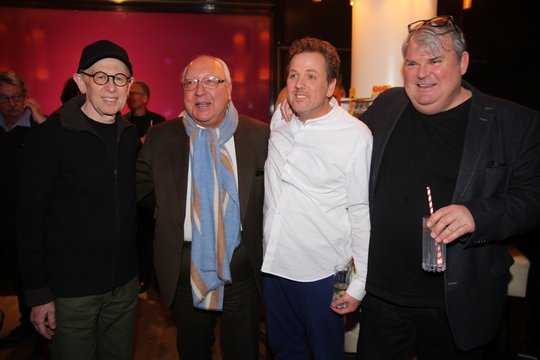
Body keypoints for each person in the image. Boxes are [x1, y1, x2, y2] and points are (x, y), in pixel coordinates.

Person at [355, 15, 540, 359]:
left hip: (458, 302)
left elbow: (532, 197)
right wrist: (306, 114)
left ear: (463, 62)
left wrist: (477, 215)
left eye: (435, 61)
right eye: (412, 63)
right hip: (382, 295)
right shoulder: (387, 105)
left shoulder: (513, 122)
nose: (422, 73)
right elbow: (344, 150)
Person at [136, 55, 269, 360]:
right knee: (192, 351)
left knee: (243, 352)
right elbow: (140, 190)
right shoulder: (161, 137)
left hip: (241, 269)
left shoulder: (260, 136)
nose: (199, 91)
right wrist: (170, 211)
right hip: (184, 270)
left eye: (210, 81)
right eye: (191, 83)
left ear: (229, 89)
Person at [17, 39, 139, 359]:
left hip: (124, 287)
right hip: (70, 293)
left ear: (130, 84)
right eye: (100, 76)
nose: (110, 87)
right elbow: (29, 220)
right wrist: (39, 294)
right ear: (80, 81)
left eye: (120, 78)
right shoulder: (49, 138)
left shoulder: (130, 138)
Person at [262, 37, 372, 359]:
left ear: (331, 86)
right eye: (294, 75)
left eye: (311, 76)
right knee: (284, 351)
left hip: (325, 275)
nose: (299, 84)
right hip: (274, 268)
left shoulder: (354, 136)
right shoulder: (280, 121)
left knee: (327, 353)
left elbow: (360, 212)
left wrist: (358, 284)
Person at [0, 70, 46, 348]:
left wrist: (41, 122)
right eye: (5, 99)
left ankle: (44, 328)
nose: (11, 104)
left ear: (26, 98)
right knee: (15, 275)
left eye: (16, 97)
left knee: (37, 275)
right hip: (4, 219)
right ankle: (26, 323)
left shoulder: (40, 129)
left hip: (34, 220)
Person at [124, 80, 165, 293]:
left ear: (146, 98)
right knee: (136, 235)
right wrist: (140, 141)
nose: (131, 96)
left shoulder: (158, 122)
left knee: (153, 236)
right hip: (129, 186)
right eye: (129, 93)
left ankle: (156, 277)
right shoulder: (122, 122)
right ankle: (140, 276)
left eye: (136, 93)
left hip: (153, 188)